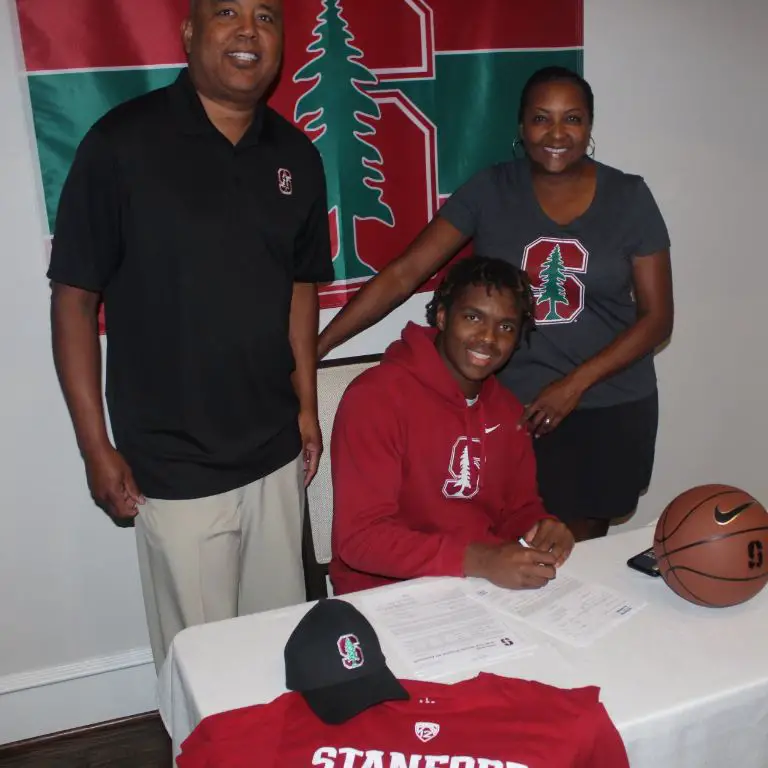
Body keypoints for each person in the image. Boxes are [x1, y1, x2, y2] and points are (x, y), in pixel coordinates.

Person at [48, 0, 333, 670]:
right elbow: (73, 299)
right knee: (205, 671)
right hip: (172, 467)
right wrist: (95, 446)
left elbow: (300, 288)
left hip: (273, 455)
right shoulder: (121, 145)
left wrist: (308, 409)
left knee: (276, 661)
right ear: (189, 33)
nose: (247, 31)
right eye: (227, 11)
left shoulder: (296, 154)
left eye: (266, 15)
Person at [319, 66, 673, 543]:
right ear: (521, 125)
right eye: (541, 118)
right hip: (516, 408)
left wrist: (574, 385)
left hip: (608, 405)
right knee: (509, 543)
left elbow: (657, 319)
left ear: (590, 127)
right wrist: (318, 345)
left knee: (580, 551)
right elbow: (405, 273)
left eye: (572, 119)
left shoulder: (629, 197)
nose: (556, 133)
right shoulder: (490, 191)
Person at [329, 256, 574, 596]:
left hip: (476, 584)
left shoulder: (506, 409)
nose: (488, 338)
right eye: (473, 317)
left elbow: (518, 508)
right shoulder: (375, 398)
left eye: (506, 327)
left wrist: (542, 527)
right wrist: (479, 559)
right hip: (385, 593)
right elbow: (360, 540)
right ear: (443, 316)